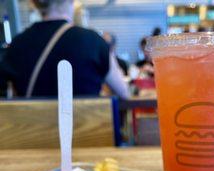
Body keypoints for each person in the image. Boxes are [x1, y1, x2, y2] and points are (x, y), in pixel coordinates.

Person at [0, 0, 129, 98]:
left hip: (33, 131)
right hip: (87, 130)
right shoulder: (92, 41)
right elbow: (123, 92)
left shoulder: (18, 43)